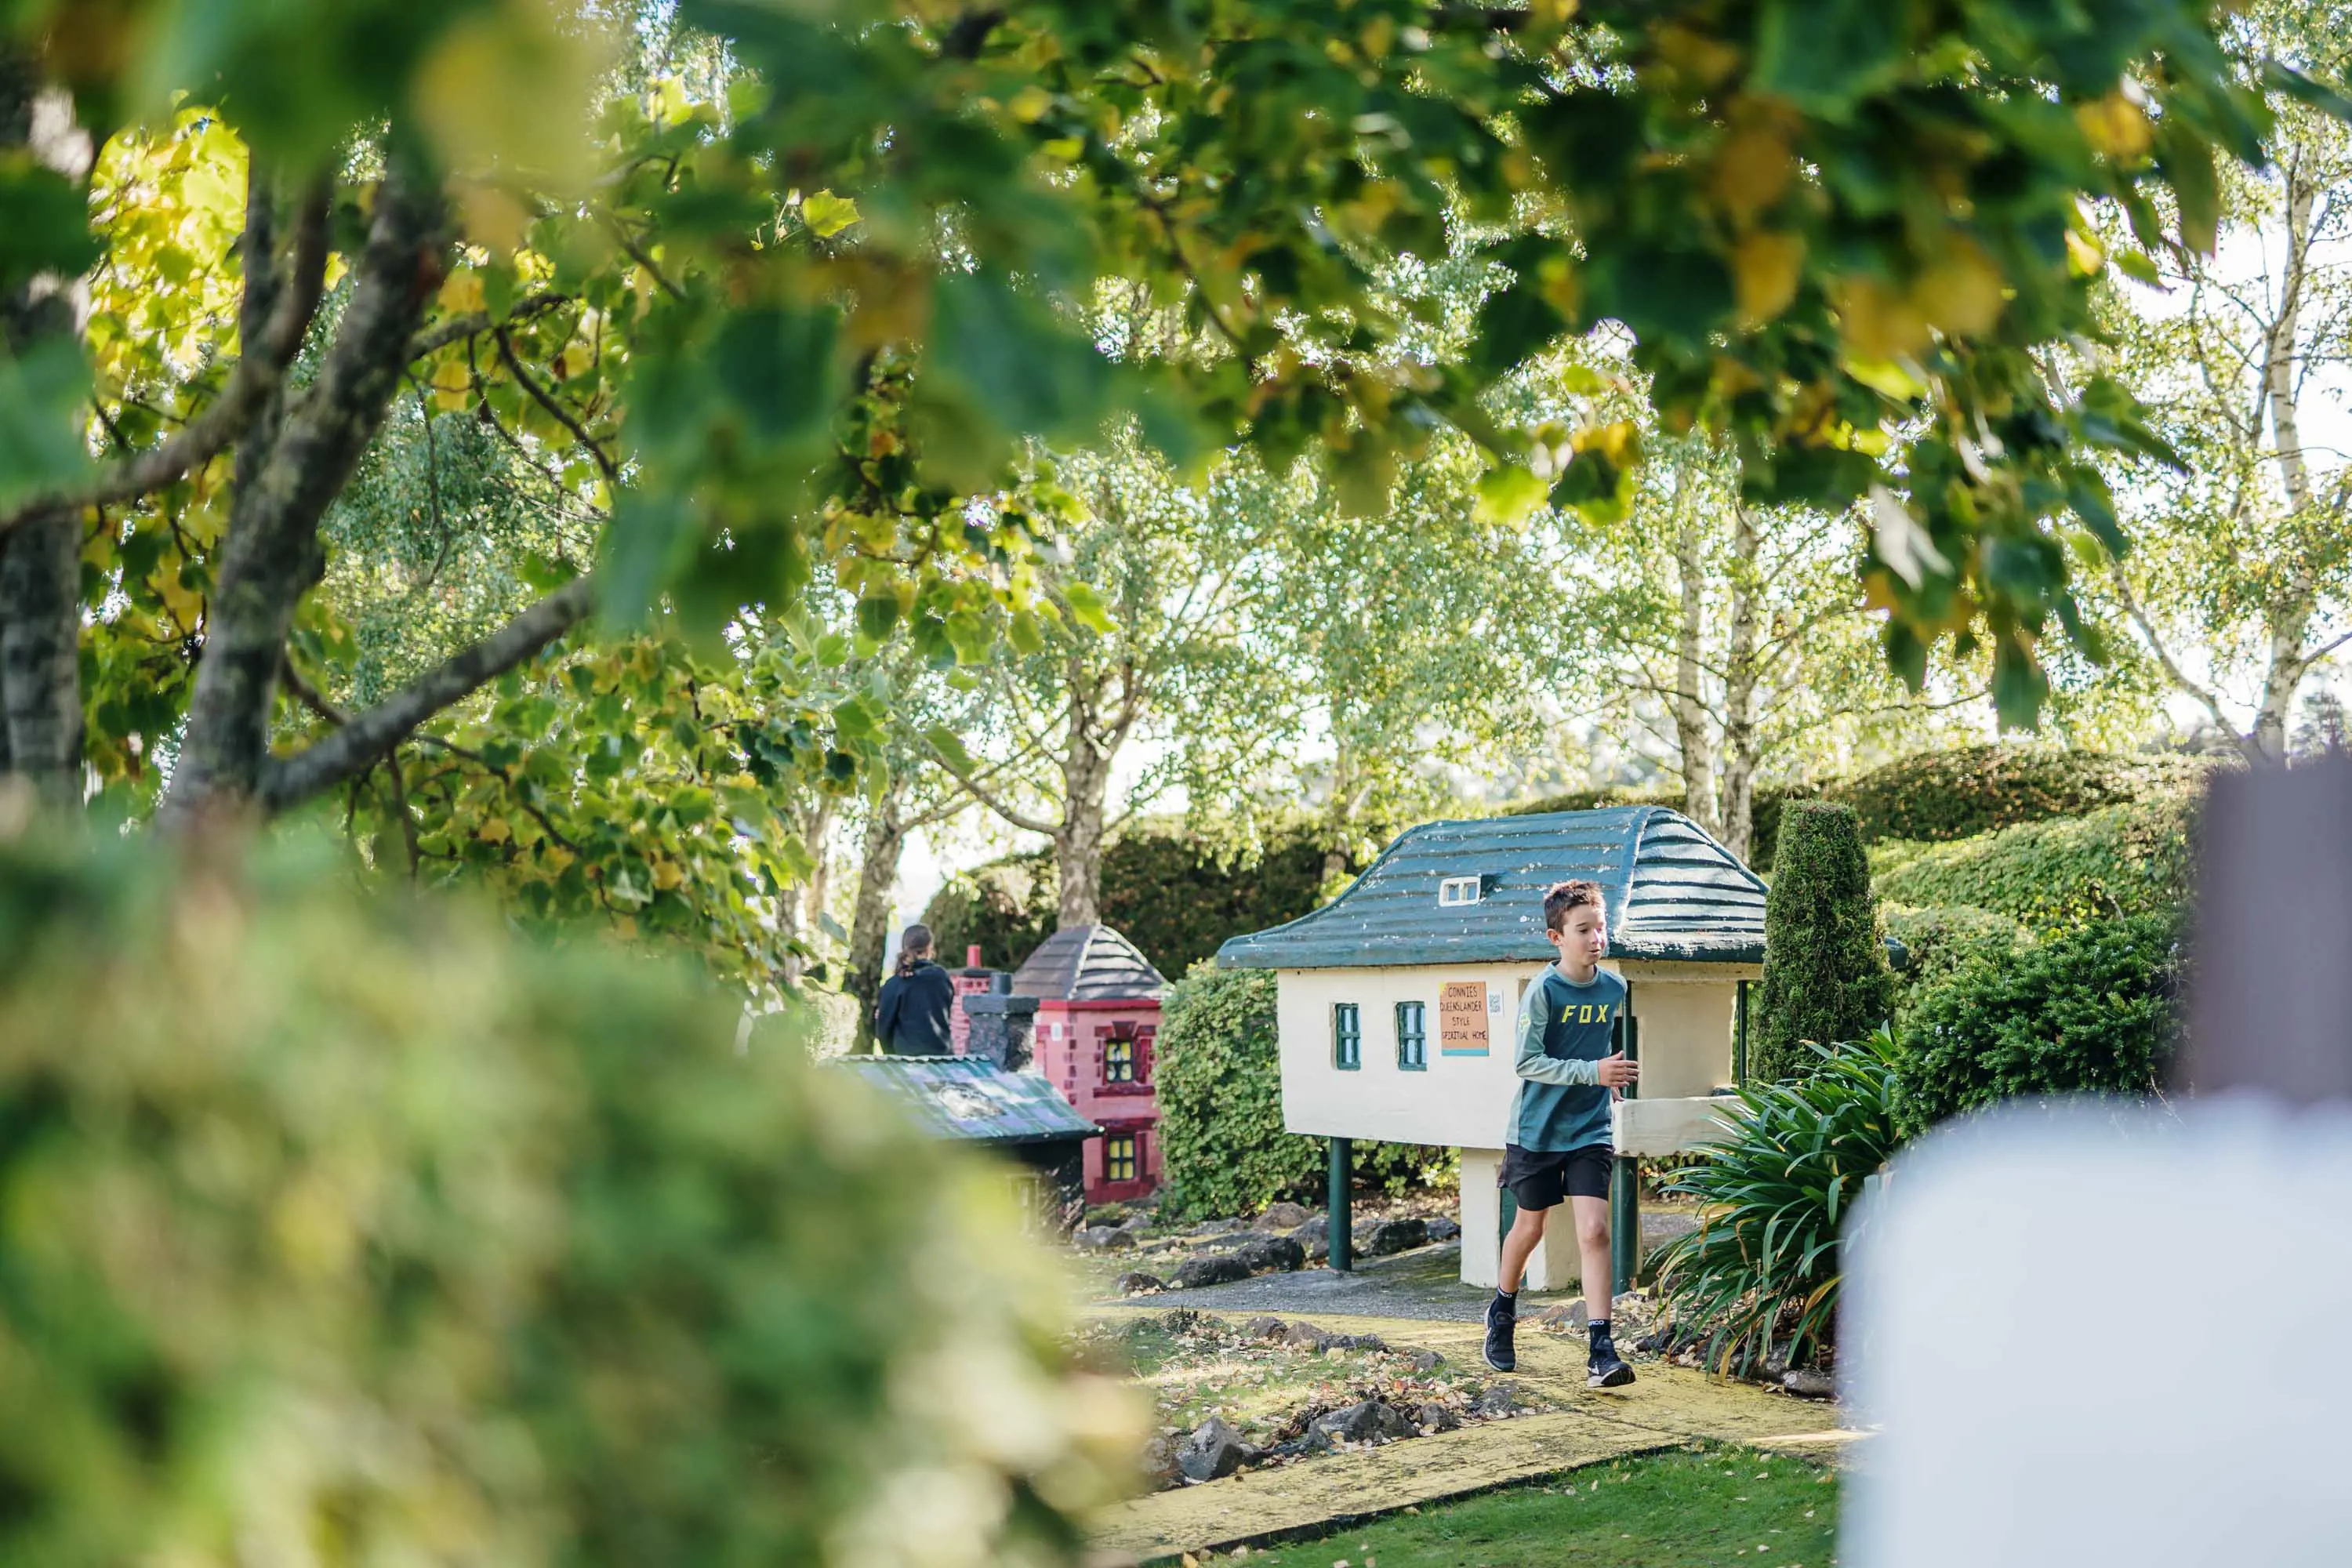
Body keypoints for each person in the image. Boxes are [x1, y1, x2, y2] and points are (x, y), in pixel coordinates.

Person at [1483, 878, 1640, 1388]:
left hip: (1589, 1129)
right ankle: (1502, 1310)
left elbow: (1599, 1041)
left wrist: (1609, 1080)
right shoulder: (1543, 992)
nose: (1597, 937)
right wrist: (1591, 1072)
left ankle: (1601, 1351)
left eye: (1601, 926)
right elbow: (1527, 1062)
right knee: (1530, 1229)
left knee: (1595, 1231)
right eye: (1584, 930)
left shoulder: (1614, 988)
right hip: (1538, 1132)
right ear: (1557, 938)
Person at [873, 924, 956, 1055]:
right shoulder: (942, 977)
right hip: (942, 1059)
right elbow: (947, 1014)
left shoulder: (893, 985)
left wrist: (892, 1055)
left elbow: (883, 1030)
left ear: (904, 948)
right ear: (930, 948)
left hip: (906, 1062)